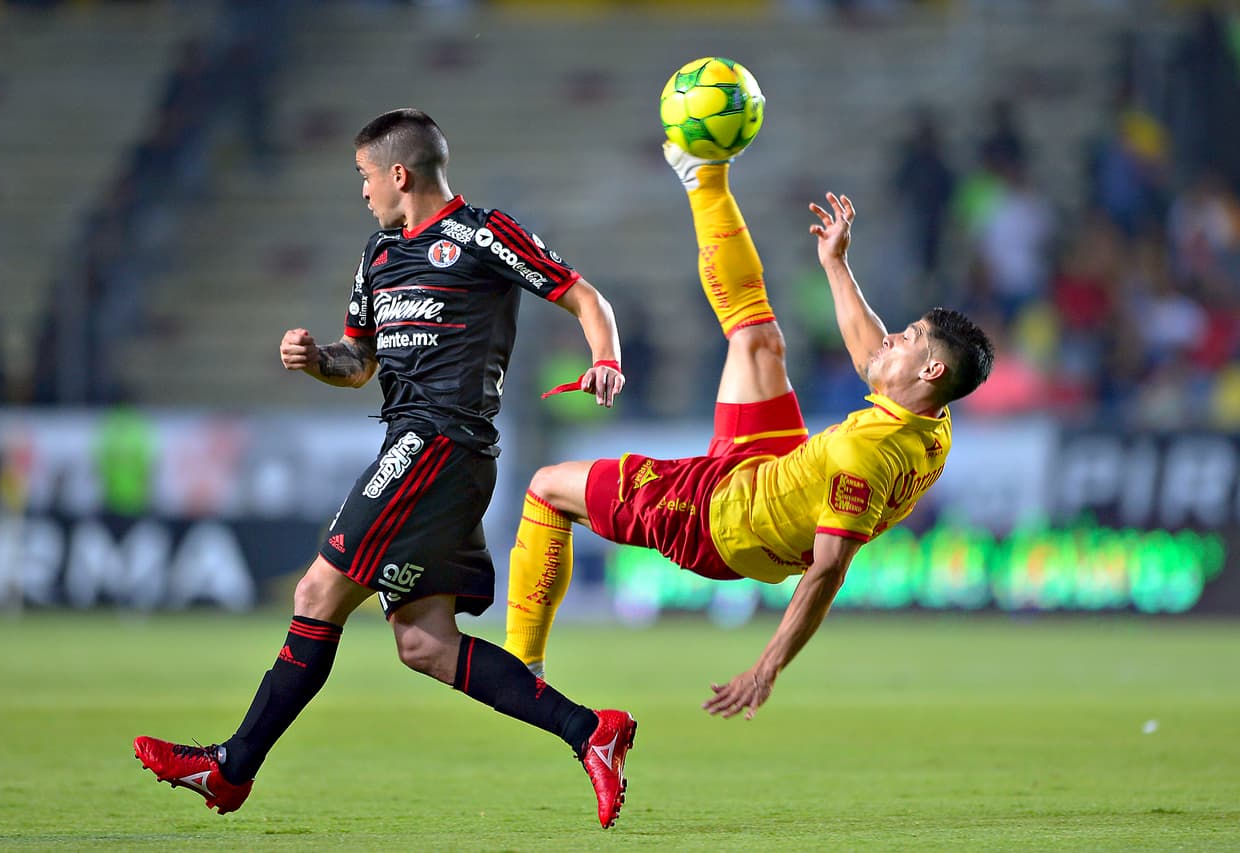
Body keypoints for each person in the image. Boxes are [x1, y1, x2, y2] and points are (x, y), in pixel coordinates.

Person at [134, 109, 637, 829]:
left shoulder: (482, 233)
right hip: (417, 447)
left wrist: (606, 359)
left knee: (317, 588)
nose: (363, 191)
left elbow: (586, 297)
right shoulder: (377, 254)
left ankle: (231, 766)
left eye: (365, 176)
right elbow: (358, 360)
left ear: (398, 174)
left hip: (441, 443)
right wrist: (317, 363)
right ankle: (593, 731)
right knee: (425, 643)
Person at [503, 143, 994, 720]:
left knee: (545, 487)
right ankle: (704, 176)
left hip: (724, 518)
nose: (893, 338)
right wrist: (835, 264)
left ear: (932, 370)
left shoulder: (868, 455)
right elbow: (871, 354)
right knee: (757, 338)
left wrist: (765, 669)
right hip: (772, 470)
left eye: (909, 337)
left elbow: (828, 570)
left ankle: (520, 669)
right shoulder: (933, 419)